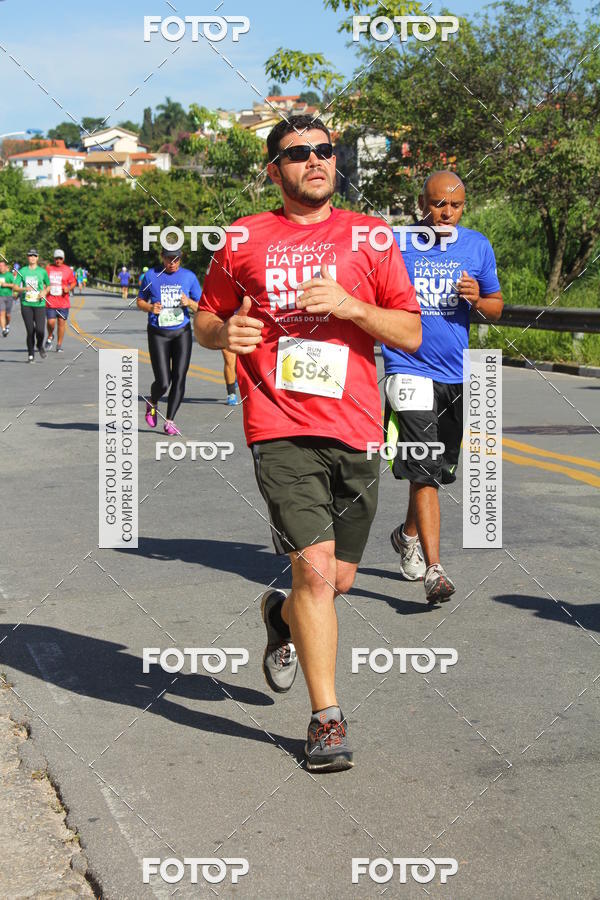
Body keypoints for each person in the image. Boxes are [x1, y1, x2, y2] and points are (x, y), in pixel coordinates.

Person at [195, 115, 421, 773]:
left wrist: (353, 308)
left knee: (336, 581)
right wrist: (220, 337)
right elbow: (209, 315)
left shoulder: (369, 236)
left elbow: (407, 333)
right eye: (299, 153)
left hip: (354, 427)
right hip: (280, 425)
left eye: (325, 150)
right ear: (275, 170)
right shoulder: (243, 237)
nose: (316, 160)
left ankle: (281, 619)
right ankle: (327, 721)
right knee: (317, 571)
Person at [382, 170, 503, 605]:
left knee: (439, 468)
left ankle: (406, 534)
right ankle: (435, 570)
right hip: (407, 367)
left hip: (455, 374)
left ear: (463, 207)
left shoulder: (477, 246)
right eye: (437, 204)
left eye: (454, 205)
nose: (445, 212)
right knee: (426, 465)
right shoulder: (398, 244)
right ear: (422, 203)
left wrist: (477, 299)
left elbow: (496, 306)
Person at [137, 249, 201, 435]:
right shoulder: (151, 275)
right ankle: (153, 402)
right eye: (168, 259)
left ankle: (170, 420)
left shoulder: (189, 277)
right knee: (164, 382)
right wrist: (150, 307)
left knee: (180, 377)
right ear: (162, 258)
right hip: (158, 333)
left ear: (181, 259)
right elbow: (140, 301)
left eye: (176, 259)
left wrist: (189, 302)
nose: (172, 263)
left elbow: (201, 307)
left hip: (181, 332)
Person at [15, 249, 50, 362]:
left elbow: (48, 286)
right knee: (30, 331)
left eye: (34, 256)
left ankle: (40, 346)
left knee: (40, 330)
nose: (32, 257)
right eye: (30, 256)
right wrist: (24, 288)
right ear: (27, 257)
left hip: (39, 304)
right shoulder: (22, 271)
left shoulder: (42, 271)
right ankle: (31, 354)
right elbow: (15, 287)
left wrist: (44, 292)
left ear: (37, 258)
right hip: (26, 304)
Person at [45, 249, 76, 352]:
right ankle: (50, 335)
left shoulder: (68, 270)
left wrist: (69, 288)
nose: (58, 260)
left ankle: (59, 345)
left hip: (63, 302)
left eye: (60, 258)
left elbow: (73, 282)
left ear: (63, 259)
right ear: (54, 258)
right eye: (56, 258)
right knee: (51, 322)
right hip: (50, 301)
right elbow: (43, 281)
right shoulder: (48, 268)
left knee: (61, 323)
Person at [0, 260, 18, 337]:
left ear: (5, 267)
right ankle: (3, 330)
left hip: (9, 296)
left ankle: (7, 325)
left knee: (8, 315)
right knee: (1, 313)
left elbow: (14, 285)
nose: (0, 268)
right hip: (0, 296)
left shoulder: (9, 275)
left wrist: (6, 284)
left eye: (2, 266)